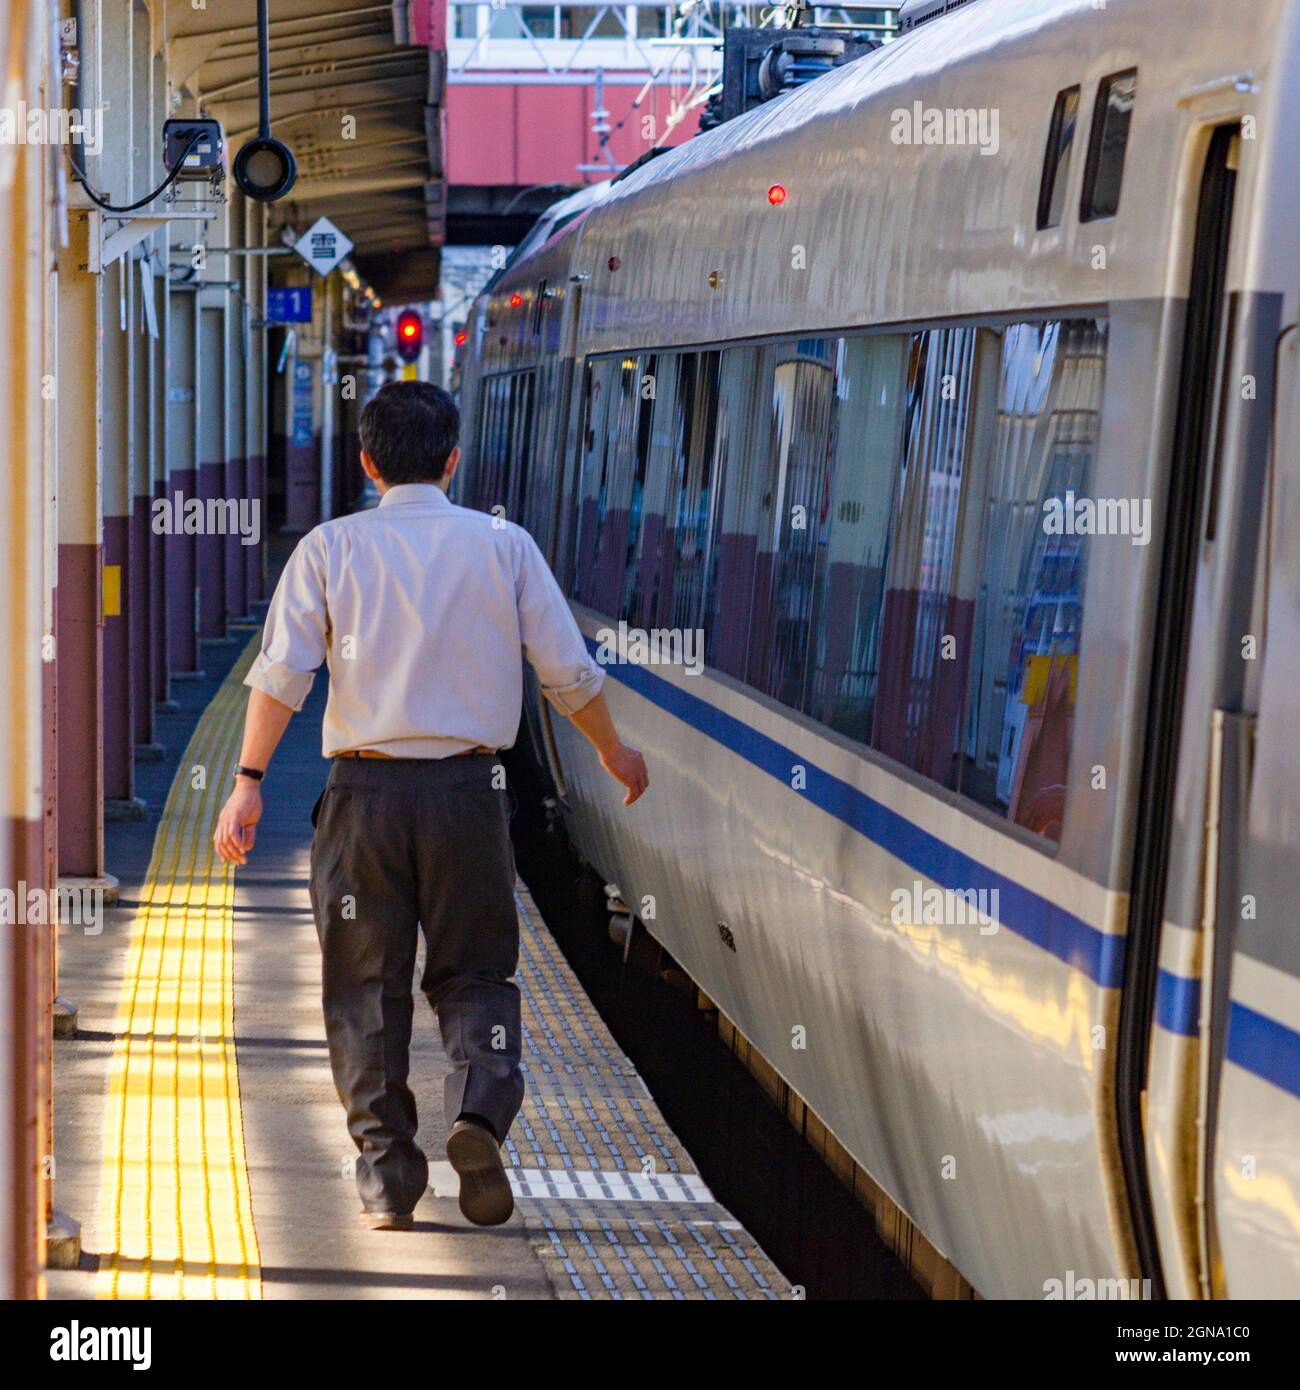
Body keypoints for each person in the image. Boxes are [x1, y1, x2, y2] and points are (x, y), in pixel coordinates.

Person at [213, 380, 648, 1231]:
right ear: (453, 460)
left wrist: (247, 782)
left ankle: (385, 1180)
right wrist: (609, 747)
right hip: (469, 794)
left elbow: (283, 677)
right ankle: (478, 1112)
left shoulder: (329, 549)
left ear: (368, 462)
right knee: (477, 972)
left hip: (363, 799)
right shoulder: (503, 545)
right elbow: (565, 673)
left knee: (365, 989)